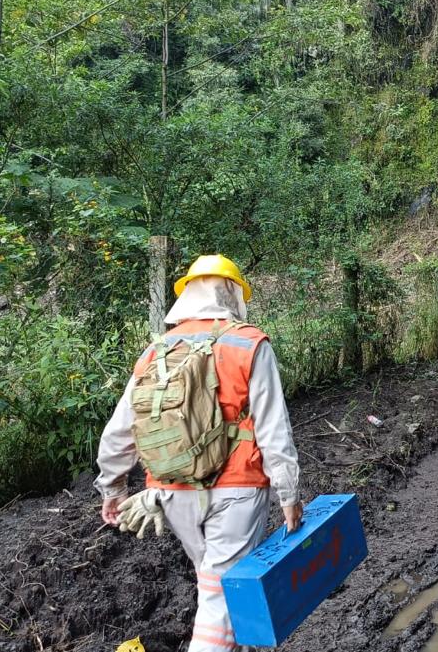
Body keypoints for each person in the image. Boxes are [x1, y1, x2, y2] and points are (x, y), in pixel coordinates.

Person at [95, 254, 302, 652]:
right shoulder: (248, 343)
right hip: (237, 490)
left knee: (216, 586)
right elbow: (274, 427)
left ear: (187, 295)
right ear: (234, 294)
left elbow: (122, 427)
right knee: (220, 597)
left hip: (171, 489)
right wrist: (289, 495)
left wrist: (113, 487)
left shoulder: (157, 350)